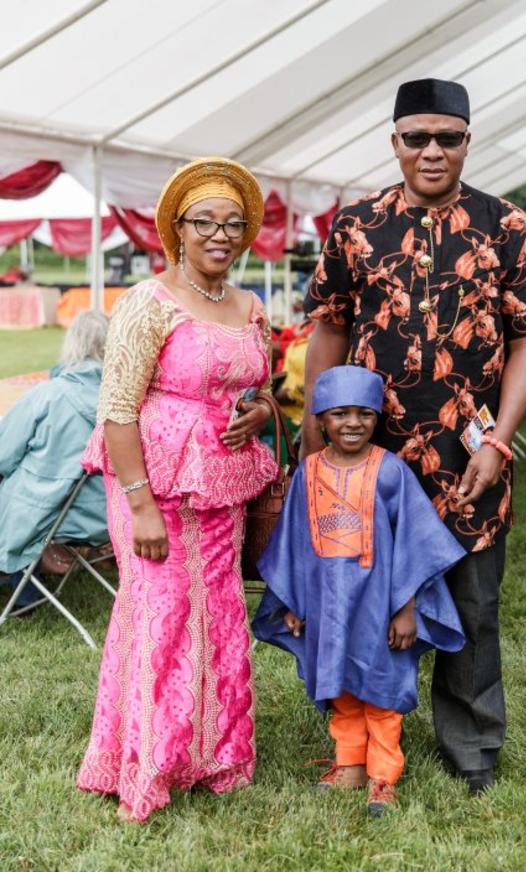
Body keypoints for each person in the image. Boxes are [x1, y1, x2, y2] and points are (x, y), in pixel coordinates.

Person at [302, 78, 526, 795]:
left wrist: (499, 441)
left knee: (474, 602)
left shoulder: (506, 225)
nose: (431, 150)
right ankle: (362, 737)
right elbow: (327, 325)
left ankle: (472, 747)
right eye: (416, 136)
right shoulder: (355, 226)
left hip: (469, 456)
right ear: (394, 142)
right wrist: (309, 440)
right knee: (362, 596)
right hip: (368, 456)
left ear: (467, 142)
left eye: (447, 137)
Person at [76, 157, 279, 823]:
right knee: (161, 617)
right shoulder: (148, 301)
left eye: (234, 223)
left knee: (218, 616)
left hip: (221, 486)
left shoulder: (251, 306)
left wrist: (259, 412)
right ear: (178, 229)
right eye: (205, 222)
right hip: (151, 485)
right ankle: (148, 761)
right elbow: (118, 409)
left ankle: (214, 756)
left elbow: (261, 387)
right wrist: (139, 505)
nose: (221, 234)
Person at [253, 366, 465, 816]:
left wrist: (405, 609)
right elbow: (292, 544)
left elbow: (412, 545)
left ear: (377, 418)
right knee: (341, 687)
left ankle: (383, 776)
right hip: (326, 605)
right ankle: (349, 764)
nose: (353, 423)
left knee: (382, 691)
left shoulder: (390, 473)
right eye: (340, 413)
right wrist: (292, 602)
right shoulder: (308, 474)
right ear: (320, 420)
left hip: (378, 605)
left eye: (364, 414)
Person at [0, 310, 109, 609]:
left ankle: (22, 591)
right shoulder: (128, 402)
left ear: (71, 345)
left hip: (50, 514)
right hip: (108, 516)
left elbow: (3, 456)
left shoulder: (47, 395)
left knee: (16, 494)